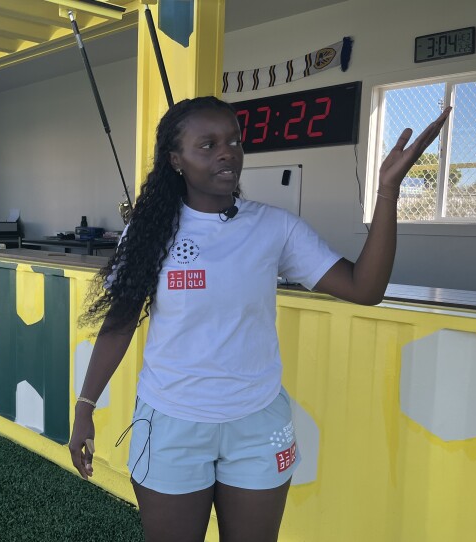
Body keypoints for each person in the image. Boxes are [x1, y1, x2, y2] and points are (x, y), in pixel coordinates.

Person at [68, 96, 451, 542]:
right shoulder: (150, 231)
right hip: (172, 423)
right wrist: (85, 407)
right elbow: (119, 325)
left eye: (234, 141)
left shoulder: (274, 227)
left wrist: (387, 192)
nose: (227, 153)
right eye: (208, 145)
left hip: (258, 424)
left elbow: (365, 289)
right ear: (176, 160)